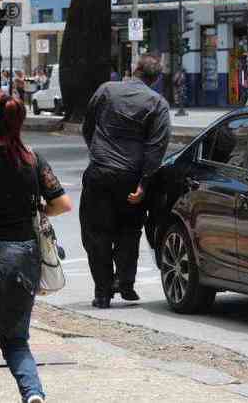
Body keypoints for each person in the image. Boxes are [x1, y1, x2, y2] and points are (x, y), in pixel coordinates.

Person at [0, 88, 72, 403]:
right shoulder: (32, 159)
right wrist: (37, 211)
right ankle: (33, 394)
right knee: (17, 340)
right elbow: (63, 204)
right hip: (22, 258)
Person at [81, 54, 171, 309]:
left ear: (134, 69)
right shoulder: (157, 103)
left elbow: (88, 126)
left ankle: (102, 292)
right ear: (155, 79)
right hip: (131, 178)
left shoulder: (107, 91)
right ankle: (126, 282)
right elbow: (156, 148)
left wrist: (97, 152)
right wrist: (144, 183)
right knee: (129, 231)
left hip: (100, 172)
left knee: (97, 233)